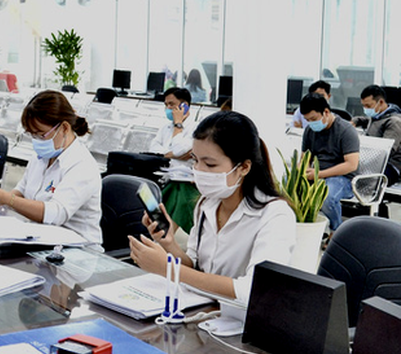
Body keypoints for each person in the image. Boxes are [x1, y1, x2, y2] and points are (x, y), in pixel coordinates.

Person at [129, 111, 295, 304]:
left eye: (209, 164)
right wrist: (169, 244)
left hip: (238, 318)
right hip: (200, 308)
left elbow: (253, 290)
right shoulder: (206, 204)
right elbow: (195, 266)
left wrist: (170, 269)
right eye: (195, 160)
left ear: (244, 167)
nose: (198, 171)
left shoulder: (275, 215)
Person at [0, 90, 102, 244]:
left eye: (40, 134)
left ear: (64, 128)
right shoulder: (40, 158)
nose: (37, 141)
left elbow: (56, 214)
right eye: (32, 135)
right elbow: (21, 191)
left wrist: (3, 197)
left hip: (77, 248)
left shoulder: (82, 165)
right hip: (42, 240)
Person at [300, 92, 360, 232]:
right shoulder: (310, 131)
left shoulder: (346, 130)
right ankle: (304, 228)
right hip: (318, 176)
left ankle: (337, 231)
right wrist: (302, 172)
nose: (311, 123)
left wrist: (319, 174)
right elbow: (304, 159)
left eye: (313, 119)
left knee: (327, 197)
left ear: (326, 112)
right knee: (286, 187)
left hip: (343, 178)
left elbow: (351, 165)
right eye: (307, 120)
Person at [147, 87, 200, 233]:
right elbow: (153, 149)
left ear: (184, 106)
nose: (168, 108)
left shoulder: (197, 128)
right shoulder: (165, 128)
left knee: (180, 206)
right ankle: (160, 235)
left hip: (186, 181)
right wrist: (173, 154)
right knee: (155, 209)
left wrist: (178, 124)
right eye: (166, 105)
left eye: (171, 104)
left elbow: (178, 149)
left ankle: (169, 236)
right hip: (166, 178)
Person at [352, 84, 401, 185]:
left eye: (368, 106)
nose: (365, 109)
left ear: (381, 102)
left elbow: (386, 151)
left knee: (359, 178)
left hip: (390, 165)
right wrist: (356, 121)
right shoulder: (377, 116)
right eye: (363, 106)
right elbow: (367, 120)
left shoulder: (394, 122)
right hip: (373, 162)